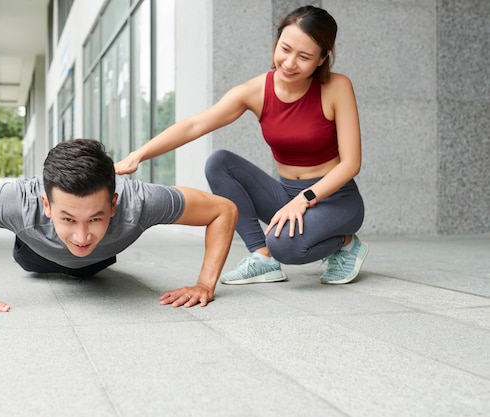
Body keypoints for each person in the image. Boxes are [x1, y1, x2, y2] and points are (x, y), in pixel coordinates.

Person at [115, 5, 368, 285]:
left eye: (304, 57)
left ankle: (346, 242)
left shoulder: (337, 87)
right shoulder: (256, 91)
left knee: (285, 245)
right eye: (285, 49)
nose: (289, 62)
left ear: (322, 59)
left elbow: (351, 163)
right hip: (286, 194)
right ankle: (263, 259)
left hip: (336, 199)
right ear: (276, 42)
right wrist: (139, 155)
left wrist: (304, 199)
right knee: (219, 163)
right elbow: (194, 125)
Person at [0, 139, 238, 314]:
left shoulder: (141, 201)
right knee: (36, 257)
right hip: (36, 255)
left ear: (114, 204)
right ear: (46, 205)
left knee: (91, 252)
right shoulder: (16, 201)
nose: (80, 236)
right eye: (67, 218)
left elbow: (223, 210)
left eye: (95, 217)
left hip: (102, 258)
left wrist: (205, 285)